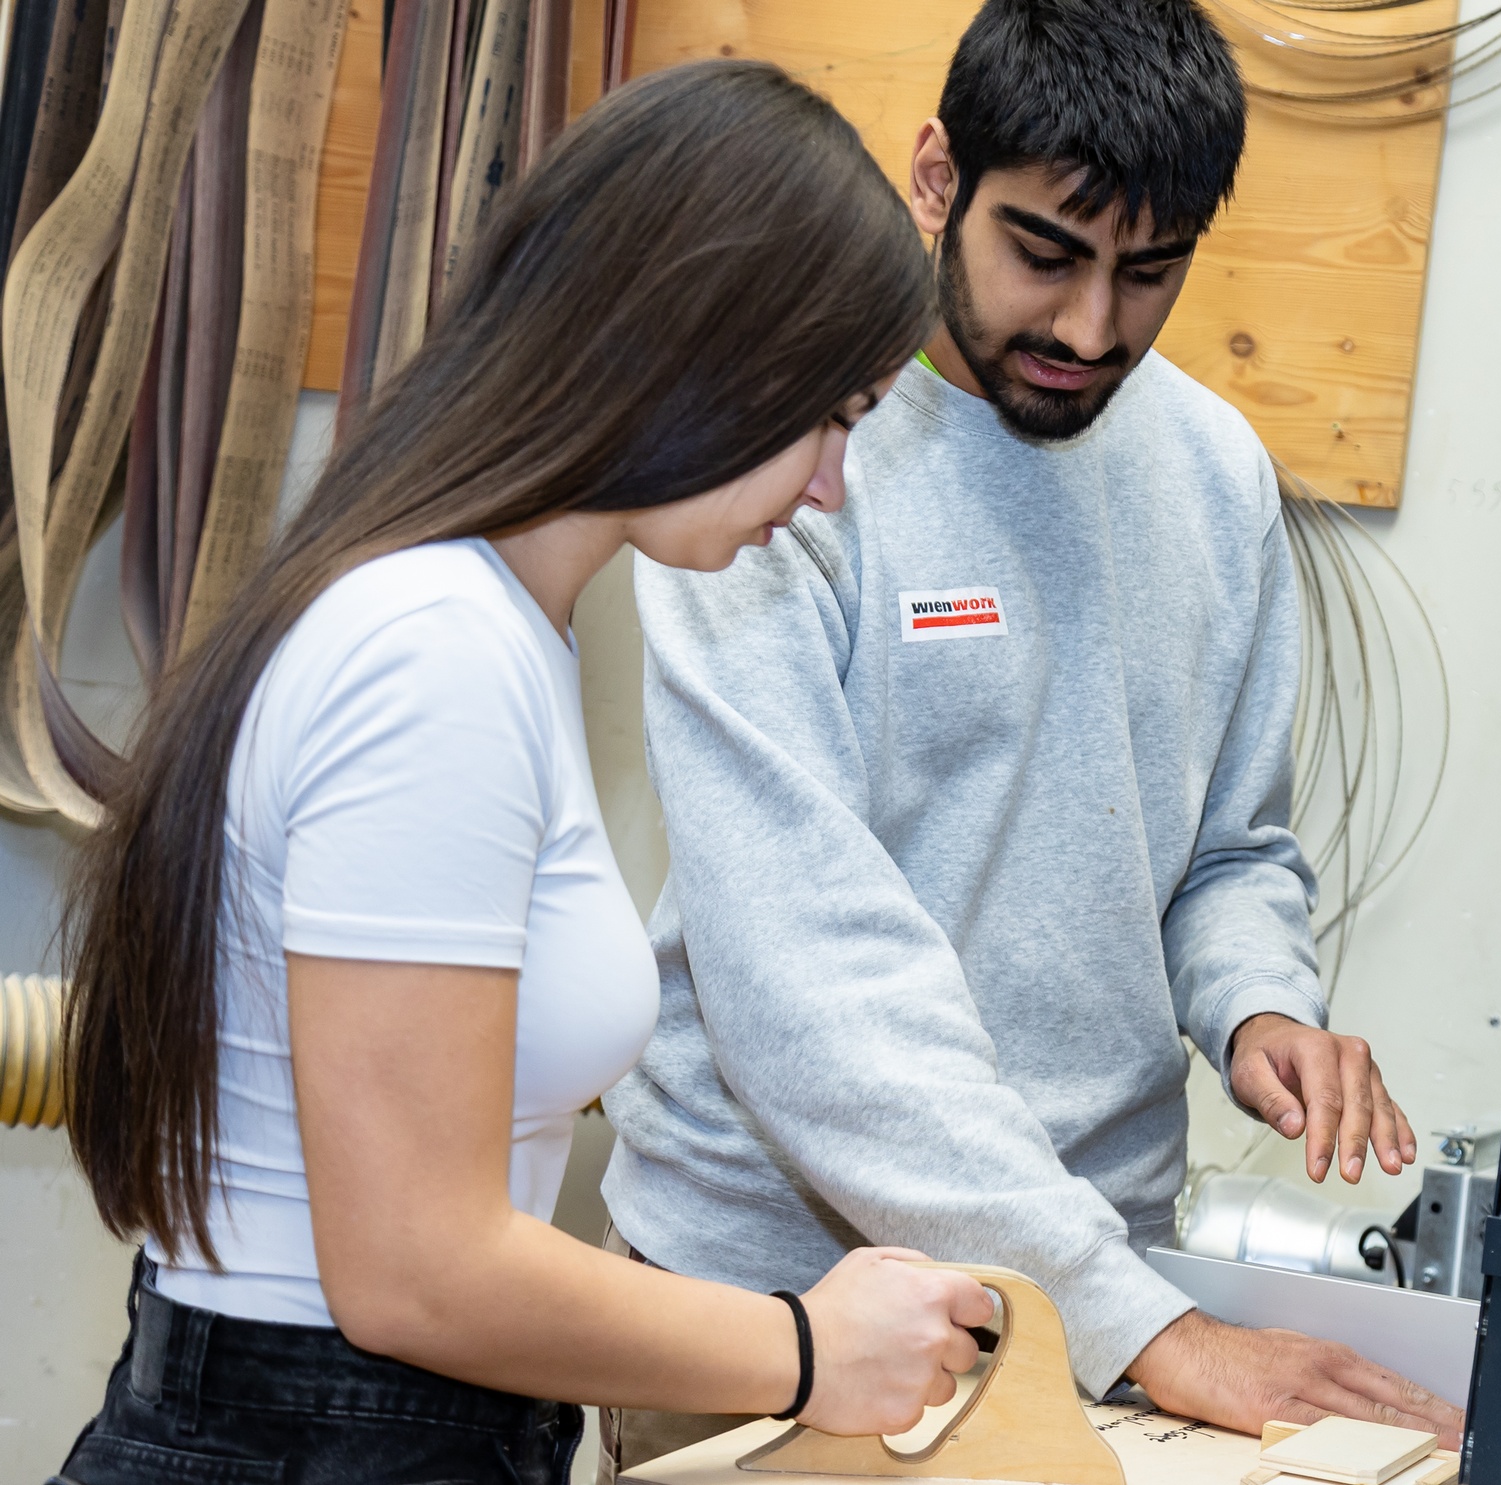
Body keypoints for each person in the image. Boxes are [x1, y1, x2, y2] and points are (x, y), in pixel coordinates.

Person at [50, 61, 993, 1485]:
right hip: (315, 1436)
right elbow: (414, 1271)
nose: (828, 488)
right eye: (834, 415)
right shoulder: (433, 649)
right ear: (700, 347)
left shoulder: (486, 625)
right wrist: (805, 1347)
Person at [597, 0, 1463, 1469]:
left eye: (1149, 272)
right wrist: (1153, 1331)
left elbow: (1229, 848)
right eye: (1045, 254)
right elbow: (813, 983)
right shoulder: (773, 460)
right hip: (773, 1306)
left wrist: (1257, 1004)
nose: (1088, 328)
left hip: (1097, 1288)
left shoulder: (1216, 474)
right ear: (938, 177)